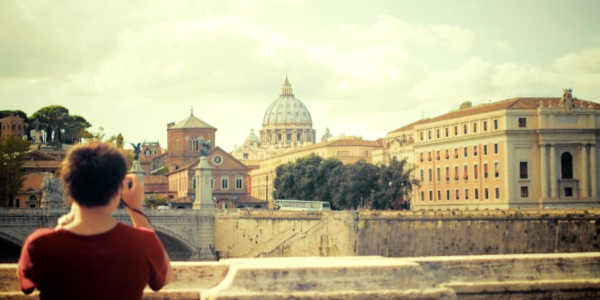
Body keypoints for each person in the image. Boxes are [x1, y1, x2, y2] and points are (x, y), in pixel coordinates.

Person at [17, 142, 172, 300]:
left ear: (69, 187)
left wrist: (61, 226)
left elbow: (26, 286)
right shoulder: (143, 242)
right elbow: (163, 279)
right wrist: (136, 209)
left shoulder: (39, 244)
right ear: (119, 190)